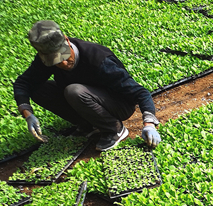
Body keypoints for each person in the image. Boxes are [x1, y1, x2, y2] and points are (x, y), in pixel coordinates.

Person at [13, 20, 161, 151]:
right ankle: (88, 125)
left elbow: (140, 92)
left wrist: (149, 124)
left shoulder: (98, 59)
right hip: (86, 99)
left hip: (118, 104)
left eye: (64, 55)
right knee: (38, 88)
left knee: (74, 91)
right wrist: (28, 114)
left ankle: (114, 129)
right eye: (55, 61)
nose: (62, 63)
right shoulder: (45, 60)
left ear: (66, 40)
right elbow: (23, 83)